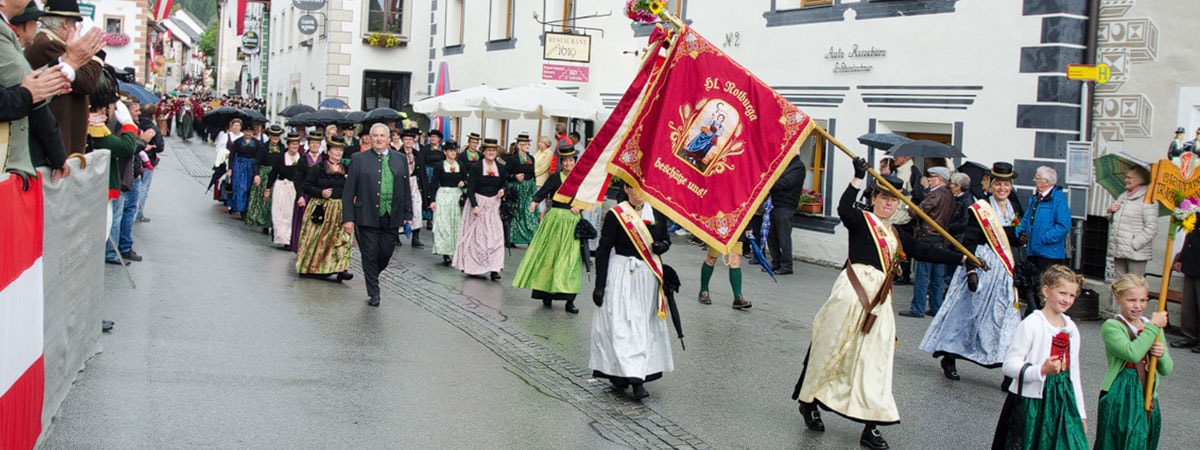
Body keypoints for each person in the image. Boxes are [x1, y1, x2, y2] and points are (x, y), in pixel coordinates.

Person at [792, 159, 980, 450]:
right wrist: (855, 178)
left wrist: (962, 258)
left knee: (875, 362)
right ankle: (809, 401)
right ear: (874, 199)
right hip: (851, 296)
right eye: (884, 198)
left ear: (898, 205)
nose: (888, 205)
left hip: (879, 304)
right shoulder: (861, 221)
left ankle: (872, 426)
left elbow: (924, 251)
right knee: (829, 349)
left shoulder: (895, 235)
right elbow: (843, 209)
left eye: (893, 200)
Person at [919, 165, 1024, 381]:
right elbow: (971, 239)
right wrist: (970, 270)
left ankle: (1008, 369)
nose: (1003, 188)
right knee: (966, 313)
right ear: (990, 185)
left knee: (1003, 316)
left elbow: (1009, 237)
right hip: (982, 264)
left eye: (1006, 184)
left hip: (1003, 270)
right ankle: (949, 355)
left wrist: (1018, 239)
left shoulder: (1014, 206)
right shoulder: (981, 208)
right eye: (998, 184)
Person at [590, 180, 673, 400]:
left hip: (646, 275)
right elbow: (604, 248)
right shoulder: (616, 214)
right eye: (635, 189)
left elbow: (666, 239)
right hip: (621, 274)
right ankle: (628, 376)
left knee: (641, 325)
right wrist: (600, 285)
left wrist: (661, 246)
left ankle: (638, 374)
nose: (639, 195)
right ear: (626, 190)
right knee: (621, 325)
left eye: (643, 189)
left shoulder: (654, 211)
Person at [991, 265, 1087, 449]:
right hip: (1031, 403)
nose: (1067, 299)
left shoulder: (1071, 328)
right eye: (1062, 293)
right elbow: (1009, 365)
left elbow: (1074, 374)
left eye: (1072, 295)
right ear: (1046, 291)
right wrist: (1041, 370)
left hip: (1061, 402)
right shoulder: (1032, 324)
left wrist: (1080, 413)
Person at [1094, 275, 1172, 449]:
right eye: (1131, 300)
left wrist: (1160, 354)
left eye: (1143, 300)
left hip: (1147, 392)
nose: (1138, 306)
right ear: (1118, 297)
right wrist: (1153, 327)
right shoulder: (1112, 326)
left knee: (1143, 442)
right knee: (1118, 442)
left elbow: (1166, 369)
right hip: (1121, 394)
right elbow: (1133, 353)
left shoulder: (1151, 325)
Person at [343, 124, 413, 307]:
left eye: (383, 136)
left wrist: (408, 214)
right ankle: (374, 292)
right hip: (366, 215)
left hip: (392, 215)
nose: (379, 139)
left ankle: (373, 273)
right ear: (370, 138)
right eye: (375, 136)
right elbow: (349, 191)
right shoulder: (359, 159)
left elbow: (406, 189)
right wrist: (348, 218)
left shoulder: (400, 158)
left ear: (389, 138)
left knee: (385, 253)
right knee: (369, 254)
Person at [25, 0, 105, 155]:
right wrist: (96, 52)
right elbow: (86, 82)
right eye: (76, 25)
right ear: (65, 25)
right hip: (56, 140)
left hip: (60, 136)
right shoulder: (48, 45)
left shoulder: (48, 42)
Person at [513, 144, 584, 314]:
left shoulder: (581, 178)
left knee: (570, 260)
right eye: (565, 161)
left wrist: (580, 207)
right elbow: (543, 192)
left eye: (571, 160)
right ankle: (546, 292)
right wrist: (534, 201)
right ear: (562, 162)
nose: (568, 164)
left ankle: (569, 300)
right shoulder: (555, 178)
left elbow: (588, 197)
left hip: (572, 221)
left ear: (575, 161)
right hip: (555, 220)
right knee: (550, 257)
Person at [296, 137, 354, 282]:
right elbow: (306, 186)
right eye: (335, 149)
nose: (338, 153)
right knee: (318, 239)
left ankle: (341, 268)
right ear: (328, 151)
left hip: (340, 208)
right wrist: (321, 192)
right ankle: (311, 266)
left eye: (340, 150)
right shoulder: (319, 168)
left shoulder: (346, 169)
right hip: (322, 207)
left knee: (342, 239)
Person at [901, 166, 955, 318]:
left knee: (922, 275)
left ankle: (917, 308)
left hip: (927, 237)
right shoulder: (949, 194)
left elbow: (919, 212)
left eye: (933, 177)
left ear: (941, 179)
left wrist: (907, 207)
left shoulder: (935, 195)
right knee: (937, 277)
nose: (930, 179)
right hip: (940, 238)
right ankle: (936, 306)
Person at [452, 138, 507, 281]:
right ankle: (474, 267)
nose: (491, 153)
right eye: (488, 150)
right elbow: (470, 188)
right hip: (479, 203)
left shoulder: (501, 168)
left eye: (493, 150)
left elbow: (504, 184)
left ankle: (494, 268)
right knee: (478, 238)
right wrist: (475, 205)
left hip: (493, 204)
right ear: (483, 152)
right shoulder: (477, 167)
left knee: (496, 237)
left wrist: (502, 190)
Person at [1015, 166, 1072, 273]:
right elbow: (1026, 219)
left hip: (1049, 254)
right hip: (1033, 251)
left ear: (1046, 182)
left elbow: (1063, 226)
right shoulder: (1036, 198)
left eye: (1037, 178)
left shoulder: (1058, 199)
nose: (1034, 181)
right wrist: (1016, 233)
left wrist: (1044, 239)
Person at [1106, 167, 1157, 278]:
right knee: (1119, 286)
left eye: (1129, 177)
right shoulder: (1123, 196)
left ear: (1140, 179)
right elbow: (1116, 222)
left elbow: (1151, 228)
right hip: (1119, 250)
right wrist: (1110, 212)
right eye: (1126, 177)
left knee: (1134, 286)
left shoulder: (1148, 198)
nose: (1126, 180)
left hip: (1136, 253)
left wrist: (1134, 244)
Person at [767, 156, 806, 274]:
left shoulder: (798, 166)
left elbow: (785, 183)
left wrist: (768, 183)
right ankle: (776, 262)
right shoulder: (784, 164)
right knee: (771, 235)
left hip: (786, 205)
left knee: (783, 236)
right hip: (775, 203)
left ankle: (787, 265)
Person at [428, 140, 464, 265]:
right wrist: (432, 200)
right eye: (450, 150)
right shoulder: (439, 166)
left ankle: (456, 250)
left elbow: (467, 179)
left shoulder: (461, 165)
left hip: (456, 196)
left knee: (457, 223)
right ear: (445, 152)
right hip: (443, 196)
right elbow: (433, 183)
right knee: (444, 224)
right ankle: (445, 252)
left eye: (454, 150)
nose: (453, 153)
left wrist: (464, 183)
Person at [267, 132, 304, 248]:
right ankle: (281, 237)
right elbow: (273, 173)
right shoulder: (280, 158)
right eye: (292, 144)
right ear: (288, 145)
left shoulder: (301, 159)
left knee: (291, 214)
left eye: (296, 144)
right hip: (281, 187)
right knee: (279, 213)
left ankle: (290, 239)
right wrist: (268, 188)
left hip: (294, 189)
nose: (294, 147)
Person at [245, 124, 284, 231]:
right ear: (270, 136)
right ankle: (264, 222)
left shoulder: (283, 148)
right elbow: (256, 162)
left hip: (277, 175)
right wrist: (257, 175)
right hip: (265, 174)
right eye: (273, 136)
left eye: (277, 136)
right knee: (265, 200)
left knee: (276, 200)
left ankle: (273, 222)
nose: (275, 138)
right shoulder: (263, 147)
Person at [291, 131, 325, 251]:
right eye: (312, 143)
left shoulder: (324, 159)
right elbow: (297, 179)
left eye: (317, 143)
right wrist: (300, 196)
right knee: (303, 221)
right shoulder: (303, 159)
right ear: (309, 144)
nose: (315, 145)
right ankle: (301, 245)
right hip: (306, 195)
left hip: (320, 195)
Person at [1169, 226, 1200, 353]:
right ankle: (1190, 337)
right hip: (1191, 264)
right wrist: (1181, 259)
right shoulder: (1195, 213)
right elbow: (1189, 239)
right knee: (1188, 305)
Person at [507, 133, 540, 246]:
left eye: (528, 144)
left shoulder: (531, 158)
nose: (528, 146)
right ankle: (513, 238)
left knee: (530, 211)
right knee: (518, 213)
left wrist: (534, 186)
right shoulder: (512, 159)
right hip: (518, 189)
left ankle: (532, 236)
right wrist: (514, 177)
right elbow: (506, 174)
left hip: (529, 188)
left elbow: (533, 173)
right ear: (519, 146)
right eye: (525, 144)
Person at [397, 128, 427, 247]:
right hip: (401, 182)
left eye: (410, 139)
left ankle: (416, 236)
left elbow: (422, 172)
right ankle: (396, 235)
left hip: (415, 182)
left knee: (417, 206)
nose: (408, 142)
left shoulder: (417, 154)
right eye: (406, 139)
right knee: (400, 207)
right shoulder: (398, 154)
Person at [134, 103, 164, 223]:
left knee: (136, 186)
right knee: (143, 187)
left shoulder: (136, 124)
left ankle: (134, 210)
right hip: (148, 161)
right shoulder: (153, 128)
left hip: (136, 160)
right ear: (152, 115)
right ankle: (138, 213)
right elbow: (160, 147)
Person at [225, 119, 261, 218]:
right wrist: (230, 168)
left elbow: (259, 156)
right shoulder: (238, 142)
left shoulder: (257, 143)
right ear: (243, 132)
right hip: (241, 167)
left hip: (252, 166)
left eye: (250, 131)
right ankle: (242, 209)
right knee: (242, 187)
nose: (248, 133)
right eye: (246, 131)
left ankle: (249, 208)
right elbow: (232, 155)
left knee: (251, 187)